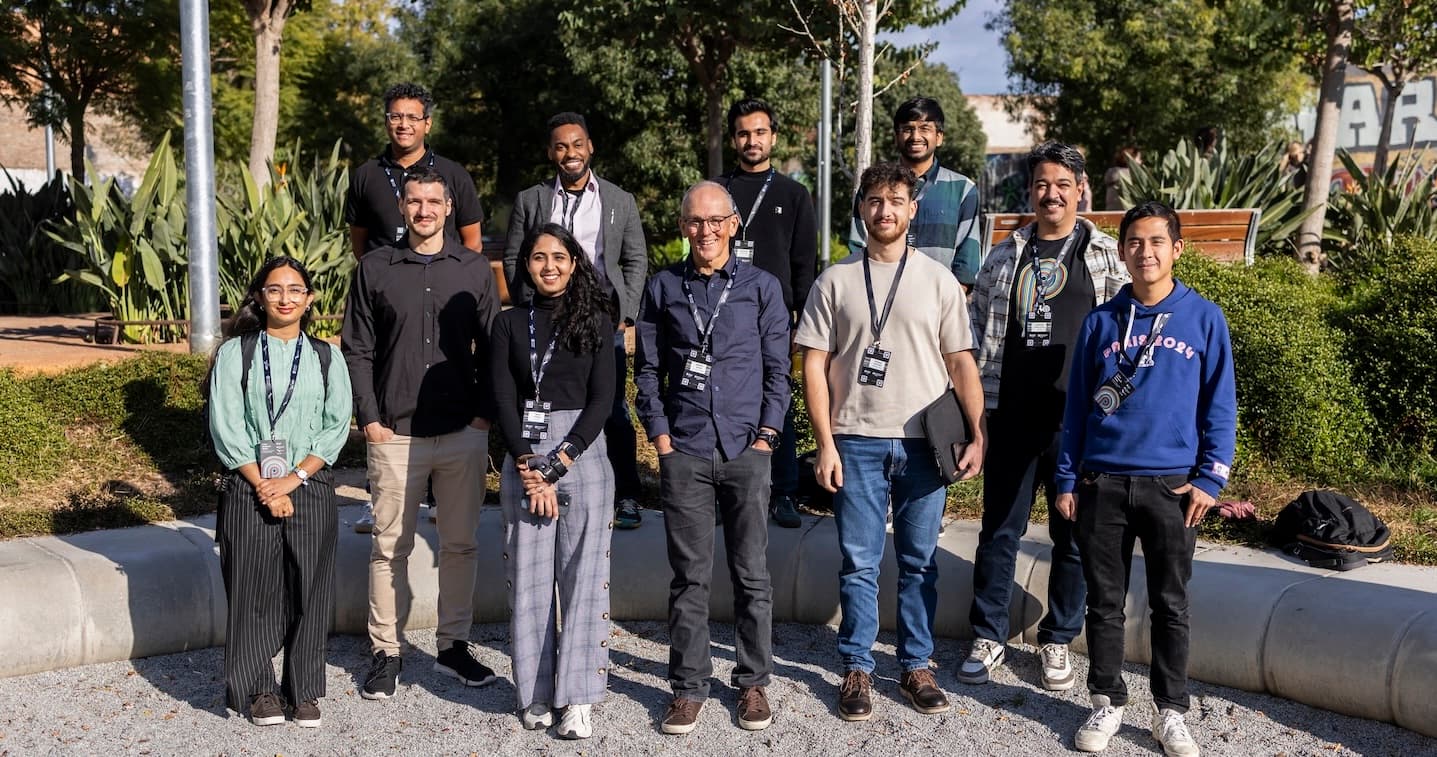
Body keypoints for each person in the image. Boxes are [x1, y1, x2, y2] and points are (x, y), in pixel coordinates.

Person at [798, 162, 985, 721]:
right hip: (855, 440)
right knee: (858, 561)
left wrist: (978, 432)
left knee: (919, 560)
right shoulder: (835, 280)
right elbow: (813, 364)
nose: (885, 210)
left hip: (926, 443)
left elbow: (961, 362)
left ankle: (915, 664)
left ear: (913, 210)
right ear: (861, 209)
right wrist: (824, 441)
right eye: (875, 200)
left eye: (896, 200)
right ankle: (857, 665)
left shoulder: (938, 280)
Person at [1054, 201, 1236, 757]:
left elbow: (1220, 406)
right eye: (1135, 242)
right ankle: (1107, 702)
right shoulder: (1101, 322)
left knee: (1170, 603)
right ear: (1123, 250)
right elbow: (1077, 407)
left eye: (1157, 242)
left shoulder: (1205, 318)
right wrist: (1066, 479)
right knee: (1104, 602)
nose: (1146, 252)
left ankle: (1170, 711)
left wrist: (1211, 480)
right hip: (1102, 482)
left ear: (1177, 249)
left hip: (1172, 488)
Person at [961, 141, 1130, 692]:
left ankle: (1057, 640)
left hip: (1077, 424)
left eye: (1062, 183)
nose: (1051, 194)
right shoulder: (1005, 255)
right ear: (1029, 191)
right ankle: (988, 636)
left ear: (1081, 189)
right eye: (1041, 184)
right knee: (998, 532)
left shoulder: (1104, 255)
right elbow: (974, 330)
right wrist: (977, 417)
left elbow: (1128, 339)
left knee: (1073, 536)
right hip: (1011, 416)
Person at [634, 181, 790, 735]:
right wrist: (661, 439)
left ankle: (752, 683)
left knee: (752, 575)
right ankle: (688, 687)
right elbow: (647, 371)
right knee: (689, 578)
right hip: (687, 451)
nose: (706, 230)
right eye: (695, 221)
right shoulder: (662, 287)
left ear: (733, 224)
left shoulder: (761, 287)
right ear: (683, 227)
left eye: (715, 220)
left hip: (747, 449)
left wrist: (768, 436)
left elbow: (779, 370)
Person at [342, 167, 501, 701]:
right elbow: (357, 348)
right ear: (403, 206)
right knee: (390, 548)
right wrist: (370, 420)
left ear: (449, 206)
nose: (424, 209)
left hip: (462, 432)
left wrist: (483, 418)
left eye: (434, 200)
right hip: (396, 434)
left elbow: (493, 350)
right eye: (415, 201)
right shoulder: (374, 269)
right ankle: (386, 652)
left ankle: (454, 644)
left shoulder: (475, 269)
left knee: (460, 545)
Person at [207, 256, 353, 728]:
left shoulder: (327, 356)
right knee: (252, 589)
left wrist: (293, 479)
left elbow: (335, 428)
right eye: (274, 290)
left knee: (310, 587)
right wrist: (265, 485)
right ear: (259, 297)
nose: (285, 298)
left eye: (295, 290)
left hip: (308, 484)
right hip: (248, 484)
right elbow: (227, 427)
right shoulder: (236, 354)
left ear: (310, 300)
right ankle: (257, 690)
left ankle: (304, 690)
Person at [491, 223, 618, 740]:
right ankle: (535, 693)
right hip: (523, 452)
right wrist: (527, 463)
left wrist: (558, 463)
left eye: (559, 257)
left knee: (585, 581)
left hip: (583, 453)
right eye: (539, 257)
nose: (549, 266)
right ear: (525, 265)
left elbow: (603, 400)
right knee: (531, 579)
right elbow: (501, 400)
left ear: (574, 263)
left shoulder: (596, 319)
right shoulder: (508, 325)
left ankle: (578, 698)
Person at [344, 81, 486, 533]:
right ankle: (380, 495)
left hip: (445, 281)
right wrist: (387, 278)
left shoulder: (451, 174)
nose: (402, 124)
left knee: (448, 371)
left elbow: (472, 241)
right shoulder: (367, 174)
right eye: (394, 116)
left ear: (427, 122)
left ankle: (439, 495)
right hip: (391, 290)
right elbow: (360, 244)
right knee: (390, 386)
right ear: (386, 121)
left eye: (412, 116)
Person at [504, 112, 649, 531]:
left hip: (601, 321)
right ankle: (541, 481)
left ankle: (626, 495)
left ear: (591, 147)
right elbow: (515, 257)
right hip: (545, 317)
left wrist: (624, 315)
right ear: (551, 152)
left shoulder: (619, 200)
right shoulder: (531, 200)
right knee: (546, 403)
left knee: (612, 407)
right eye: (562, 146)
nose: (571, 153)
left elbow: (635, 259)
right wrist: (528, 304)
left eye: (578, 144)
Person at [715, 97, 818, 529]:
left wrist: (802, 322)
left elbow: (804, 265)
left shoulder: (793, 194)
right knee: (724, 402)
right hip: (721, 315)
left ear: (773, 137)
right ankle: (726, 493)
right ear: (734, 138)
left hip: (775, 318)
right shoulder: (718, 191)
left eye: (759, 132)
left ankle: (785, 492)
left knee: (778, 398)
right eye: (743, 133)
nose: (751, 140)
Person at [849, 97, 982, 288]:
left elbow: (967, 265)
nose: (915, 136)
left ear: (939, 137)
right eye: (907, 129)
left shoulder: (962, 189)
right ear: (896, 137)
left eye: (925, 129)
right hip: (881, 301)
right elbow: (858, 247)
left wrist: (946, 308)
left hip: (940, 304)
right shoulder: (872, 187)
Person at [1104, 145, 1141, 211]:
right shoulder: (1132, 176)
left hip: (1110, 212)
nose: (1141, 161)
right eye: (1139, 158)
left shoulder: (1111, 173)